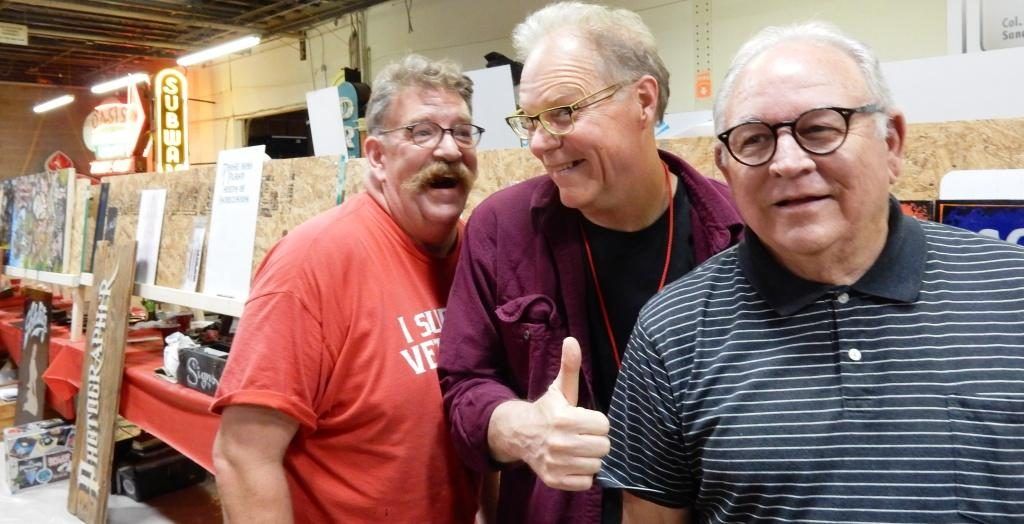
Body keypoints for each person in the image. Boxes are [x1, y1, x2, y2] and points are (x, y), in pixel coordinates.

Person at [599, 21, 1024, 523]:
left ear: (891, 143)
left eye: (821, 128)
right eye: (754, 139)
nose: (788, 162)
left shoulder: (1012, 291)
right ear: (725, 166)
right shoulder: (674, 331)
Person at [437, 3, 743, 522]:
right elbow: (464, 384)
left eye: (563, 112)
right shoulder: (502, 229)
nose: (539, 143)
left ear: (643, 101)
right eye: (530, 121)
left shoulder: (738, 231)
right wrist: (525, 430)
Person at [211, 54, 485, 523]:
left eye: (462, 132)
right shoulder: (311, 264)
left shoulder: (478, 257)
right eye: (422, 132)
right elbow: (243, 455)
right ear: (376, 156)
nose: (449, 150)